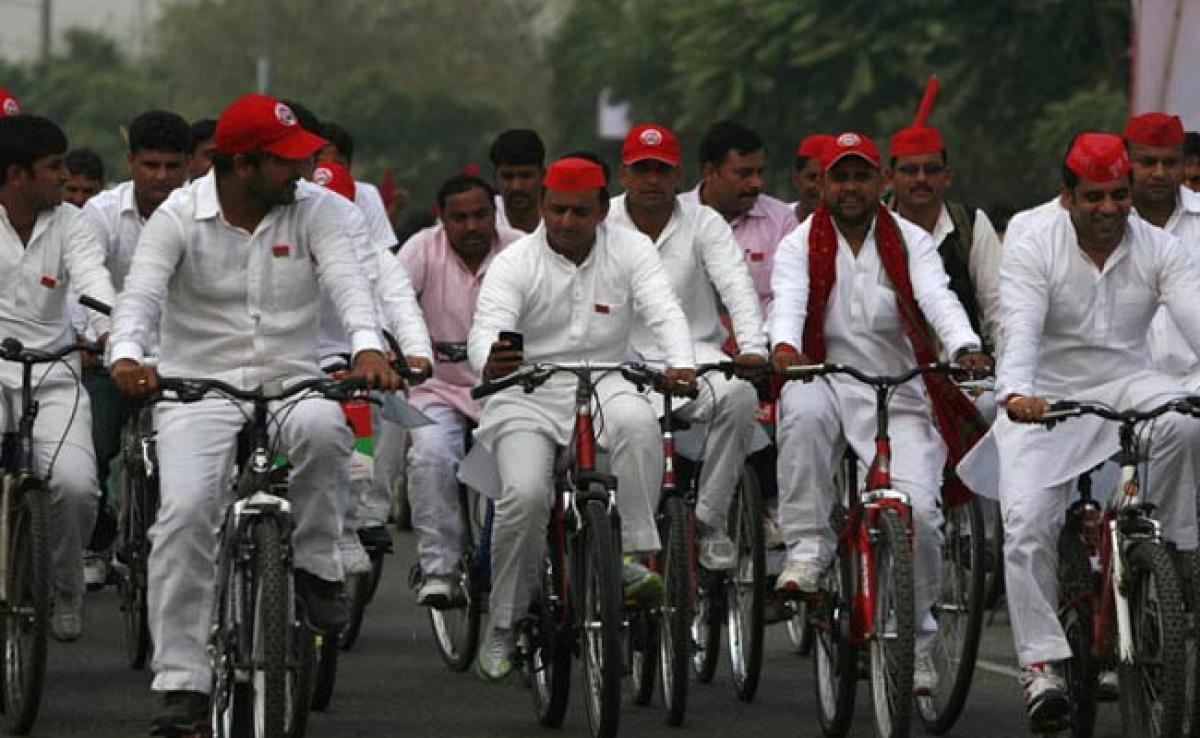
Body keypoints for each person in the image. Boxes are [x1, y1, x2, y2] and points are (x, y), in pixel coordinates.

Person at [107, 93, 400, 733]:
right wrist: (128, 356)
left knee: (328, 432)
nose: (301, 172)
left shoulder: (316, 209)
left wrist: (369, 347)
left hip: (293, 379)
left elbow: (351, 284)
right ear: (242, 165)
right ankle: (181, 683)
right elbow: (139, 300)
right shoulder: (179, 217)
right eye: (287, 162)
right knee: (184, 514)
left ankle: (318, 567)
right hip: (198, 388)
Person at [958, 132, 1200, 731]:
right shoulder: (1034, 240)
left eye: (1120, 196)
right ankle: (1042, 665)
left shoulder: (1157, 247)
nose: (1111, 209)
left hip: (1125, 382)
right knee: (1027, 530)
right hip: (1046, 395)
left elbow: (1194, 313)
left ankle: (1160, 561)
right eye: (1095, 197)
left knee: (1182, 425)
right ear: (1068, 197)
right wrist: (1014, 394)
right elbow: (1020, 325)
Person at [769, 132, 991, 697]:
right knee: (801, 410)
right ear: (823, 183)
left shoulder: (910, 240)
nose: (849, 188)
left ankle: (913, 640)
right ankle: (808, 549)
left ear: (879, 183)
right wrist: (785, 348)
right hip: (823, 375)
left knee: (919, 516)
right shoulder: (801, 243)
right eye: (839, 177)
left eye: (860, 177)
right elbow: (789, 299)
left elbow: (937, 296)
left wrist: (963, 344)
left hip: (901, 387)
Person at [467, 155, 696, 681]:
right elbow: (489, 325)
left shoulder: (631, 249)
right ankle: (504, 623)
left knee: (641, 427)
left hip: (607, 377)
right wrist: (491, 358)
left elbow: (664, 310)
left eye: (579, 212)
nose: (566, 222)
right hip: (528, 389)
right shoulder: (515, 261)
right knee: (523, 494)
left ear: (601, 211)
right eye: (557, 210)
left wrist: (680, 362)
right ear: (544, 206)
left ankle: (632, 557)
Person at [607, 123, 766, 570]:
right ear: (624, 174)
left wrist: (753, 348)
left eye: (662, 170)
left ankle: (709, 520)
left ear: (679, 176)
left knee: (740, 396)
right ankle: (633, 548)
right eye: (642, 170)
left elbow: (736, 286)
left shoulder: (704, 222)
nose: (651, 180)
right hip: (622, 361)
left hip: (697, 356)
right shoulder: (603, 223)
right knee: (631, 425)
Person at [0, 114, 117, 642]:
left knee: (75, 488)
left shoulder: (71, 223)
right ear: (17, 175)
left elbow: (94, 283)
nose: (64, 178)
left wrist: (116, 333)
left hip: (54, 377)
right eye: (53, 168)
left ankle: (66, 591)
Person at [74, 110, 192, 589]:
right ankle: (99, 536)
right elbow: (80, 283)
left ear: (187, 166)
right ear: (130, 162)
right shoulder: (100, 214)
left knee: (193, 467)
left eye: (171, 166)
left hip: (180, 361)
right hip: (111, 357)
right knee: (91, 448)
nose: (161, 177)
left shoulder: (200, 214)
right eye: (150, 165)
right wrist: (106, 336)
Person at [398, 173, 522, 606]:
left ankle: (515, 568)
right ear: (442, 220)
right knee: (430, 454)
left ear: (495, 213)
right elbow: (391, 305)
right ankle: (439, 570)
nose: (471, 226)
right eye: (460, 218)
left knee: (522, 468)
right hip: (438, 386)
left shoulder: (521, 248)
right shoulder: (420, 251)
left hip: (507, 388)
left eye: (481, 215)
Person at [308, 158, 433, 572]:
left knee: (382, 418)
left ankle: (362, 516)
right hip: (297, 366)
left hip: (359, 365)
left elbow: (400, 304)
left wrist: (415, 354)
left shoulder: (375, 257)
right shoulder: (289, 249)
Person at [888, 77, 1003, 357]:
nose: (921, 179)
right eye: (910, 171)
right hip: (896, 373)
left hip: (964, 367)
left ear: (947, 177)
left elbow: (998, 307)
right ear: (890, 178)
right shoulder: (876, 228)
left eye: (931, 170)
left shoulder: (972, 226)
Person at [681, 120, 797, 316]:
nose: (756, 183)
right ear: (709, 172)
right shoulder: (675, 217)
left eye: (760, 172)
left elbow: (791, 297)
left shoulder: (781, 221)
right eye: (744, 173)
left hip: (763, 341)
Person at [1122, 113, 1200, 382]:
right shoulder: (1104, 225)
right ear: (1126, 163)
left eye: (1170, 163)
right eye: (1147, 162)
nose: (1159, 173)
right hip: (1123, 389)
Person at [488, 128, 544, 234]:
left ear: (543, 176)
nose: (516, 186)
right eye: (507, 177)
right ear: (495, 178)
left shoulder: (560, 218)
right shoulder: (482, 221)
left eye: (525, 176)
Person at [791, 134, 833, 223]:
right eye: (811, 177)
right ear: (796, 178)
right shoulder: (777, 219)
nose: (819, 187)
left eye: (826, 178)